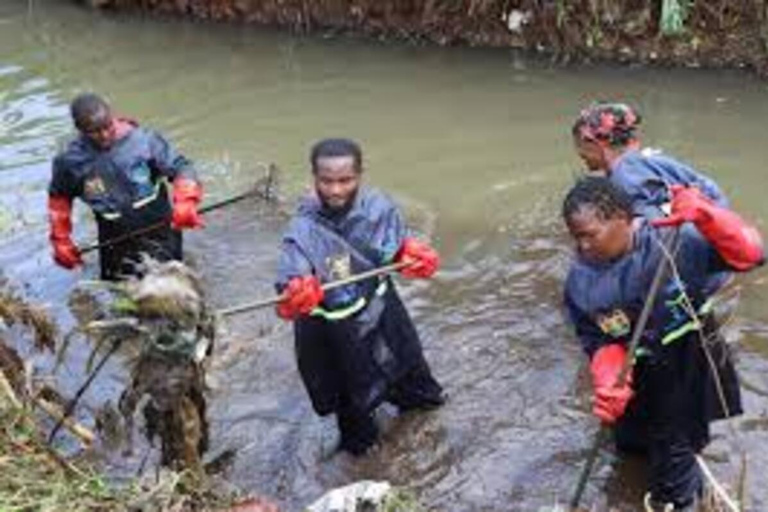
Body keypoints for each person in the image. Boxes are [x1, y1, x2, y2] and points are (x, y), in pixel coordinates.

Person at [562, 177, 763, 509]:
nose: (583, 246)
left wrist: (710, 217)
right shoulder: (580, 281)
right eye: (576, 237)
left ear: (625, 219)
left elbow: (752, 255)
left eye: (590, 235)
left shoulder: (677, 240)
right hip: (635, 366)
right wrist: (608, 375)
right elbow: (595, 336)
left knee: (675, 456)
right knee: (629, 445)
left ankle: (683, 498)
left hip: (687, 357)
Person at [275, 138, 444, 455]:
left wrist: (408, 253)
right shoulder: (301, 229)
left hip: (382, 312)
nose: (336, 190)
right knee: (356, 423)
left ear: (360, 176)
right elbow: (289, 277)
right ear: (314, 178)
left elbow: (392, 248)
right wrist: (295, 292)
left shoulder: (379, 206)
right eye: (326, 181)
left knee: (419, 388)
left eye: (345, 180)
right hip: (335, 332)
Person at [48, 93, 203, 281]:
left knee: (173, 282)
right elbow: (59, 199)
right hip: (114, 239)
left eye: (107, 126)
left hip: (160, 228)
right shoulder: (69, 161)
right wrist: (60, 239)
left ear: (113, 117)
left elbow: (181, 167)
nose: (104, 135)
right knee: (120, 292)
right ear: (80, 129)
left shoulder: (145, 141)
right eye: (95, 131)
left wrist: (186, 200)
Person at [572, 102, 728, 218]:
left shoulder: (625, 177)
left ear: (597, 143)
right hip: (719, 214)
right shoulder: (646, 158)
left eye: (579, 144)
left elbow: (655, 226)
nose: (579, 153)